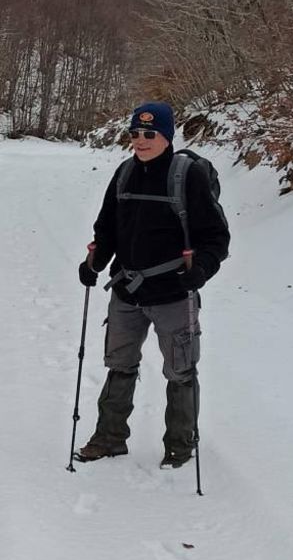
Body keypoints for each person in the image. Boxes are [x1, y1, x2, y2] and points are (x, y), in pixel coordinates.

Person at [75, 102, 230, 468]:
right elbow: (107, 228)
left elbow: (215, 239)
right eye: (135, 134)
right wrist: (94, 262)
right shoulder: (125, 173)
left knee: (180, 370)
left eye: (149, 134)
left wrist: (201, 270)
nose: (140, 141)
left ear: (167, 136)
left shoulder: (186, 175)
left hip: (174, 293)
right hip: (127, 289)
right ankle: (109, 438)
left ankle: (180, 444)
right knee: (119, 364)